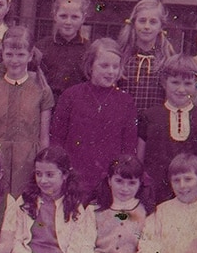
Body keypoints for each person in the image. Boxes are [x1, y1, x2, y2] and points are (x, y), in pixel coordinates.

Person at [49, 37, 137, 203]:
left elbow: (129, 147)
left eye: (115, 67)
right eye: (104, 66)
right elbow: (57, 140)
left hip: (109, 183)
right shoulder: (71, 96)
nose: (111, 71)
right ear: (90, 66)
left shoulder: (126, 101)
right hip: (74, 180)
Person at [0, 25, 53, 204]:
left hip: (28, 162)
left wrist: (42, 167)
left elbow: (44, 138)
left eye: (20, 55)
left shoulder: (41, 90)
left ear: (30, 55)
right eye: (9, 54)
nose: (14, 60)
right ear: (2, 54)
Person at [136, 56, 197, 211]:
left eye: (188, 84)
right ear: (164, 82)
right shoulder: (148, 116)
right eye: (175, 82)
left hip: (189, 195)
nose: (181, 89)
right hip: (154, 196)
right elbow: (140, 160)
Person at [117, 0, 180, 113]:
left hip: (155, 120)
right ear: (134, 23)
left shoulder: (167, 59)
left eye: (153, 22)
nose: (147, 26)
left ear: (161, 26)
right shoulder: (122, 55)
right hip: (124, 118)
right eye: (142, 21)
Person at [38, 0, 92, 96]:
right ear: (55, 16)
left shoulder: (89, 49)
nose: (68, 22)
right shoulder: (41, 47)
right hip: (48, 102)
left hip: (78, 101)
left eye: (74, 17)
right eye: (63, 16)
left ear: (83, 19)